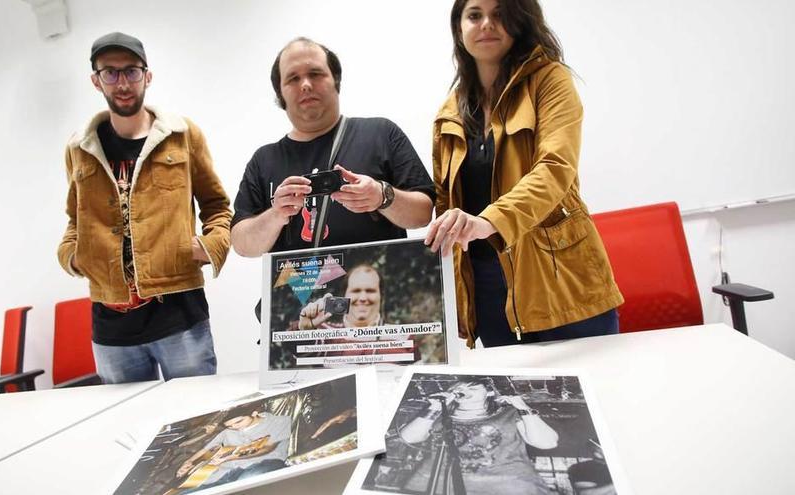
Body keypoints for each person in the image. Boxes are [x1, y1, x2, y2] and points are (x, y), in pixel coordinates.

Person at [425, 0, 624, 347]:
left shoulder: (551, 80)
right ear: (460, 28)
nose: (487, 23)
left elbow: (555, 170)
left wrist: (488, 221)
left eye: (500, 14)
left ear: (522, 21)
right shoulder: (449, 113)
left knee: (592, 389)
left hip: (559, 274)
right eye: (474, 15)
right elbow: (446, 203)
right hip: (486, 284)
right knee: (508, 399)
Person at [57, 32, 232, 383]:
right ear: (96, 80)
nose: (122, 82)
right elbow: (76, 220)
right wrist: (71, 256)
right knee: (124, 425)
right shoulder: (79, 147)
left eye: (132, 71)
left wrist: (208, 246)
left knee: (195, 421)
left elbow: (218, 206)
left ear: (147, 76)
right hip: (111, 326)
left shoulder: (182, 135)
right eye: (110, 72)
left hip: (180, 315)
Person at [231, 37, 435, 257]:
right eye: (293, 78)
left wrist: (381, 196)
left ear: (336, 80)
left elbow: (423, 213)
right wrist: (276, 214)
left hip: (371, 286)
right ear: (280, 94)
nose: (306, 85)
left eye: (315, 74)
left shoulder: (381, 133)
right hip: (295, 289)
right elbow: (242, 245)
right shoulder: (264, 160)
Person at [394, 379, 558, 495]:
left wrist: (522, 406)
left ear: (489, 393)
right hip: (437, 483)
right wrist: (435, 407)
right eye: (459, 388)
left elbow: (547, 442)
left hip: (506, 484)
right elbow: (409, 438)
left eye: (472, 388)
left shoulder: (509, 413)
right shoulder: (438, 414)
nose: (464, 391)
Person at [173, 408, 292, 492]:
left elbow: (267, 448)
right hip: (226, 472)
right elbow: (206, 449)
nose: (235, 427)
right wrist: (188, 462)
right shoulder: (228, 431)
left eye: (239, 421)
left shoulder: (280, 421)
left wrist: (229, 457)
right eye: (230, 426)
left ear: (254, 413)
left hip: (265, 463)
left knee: (246, 484)